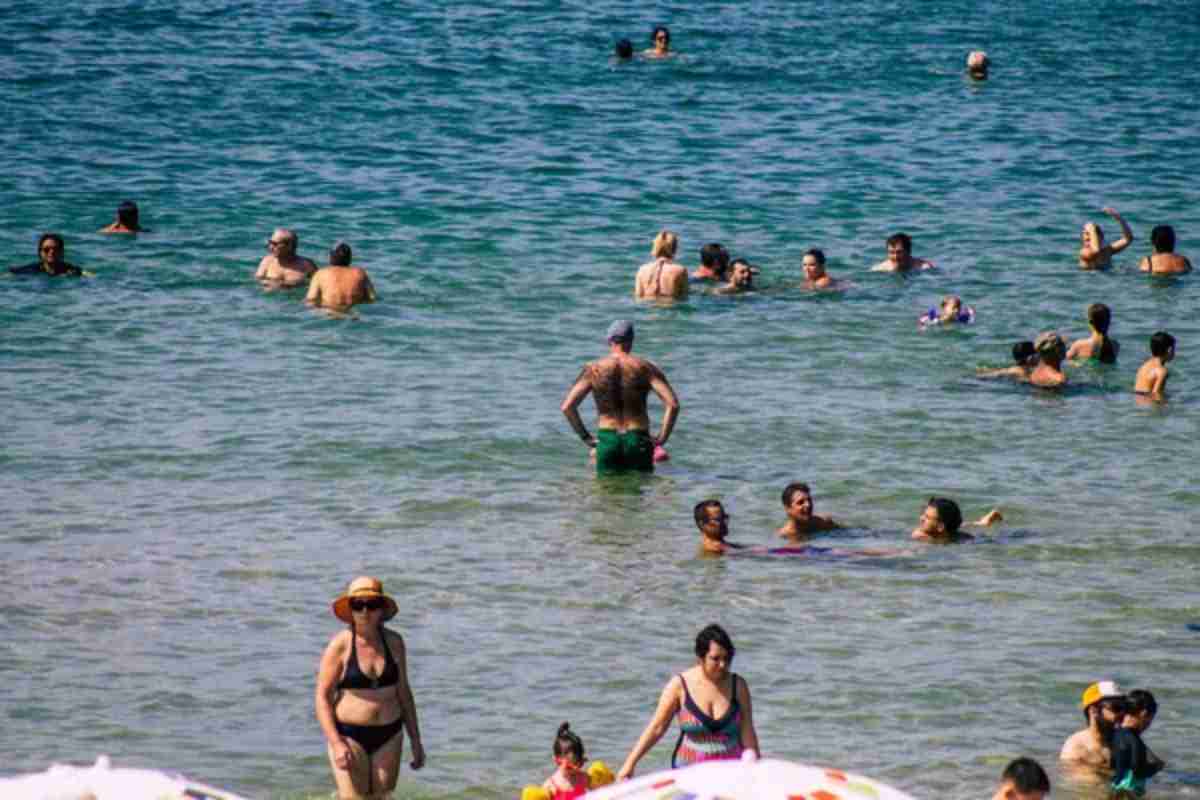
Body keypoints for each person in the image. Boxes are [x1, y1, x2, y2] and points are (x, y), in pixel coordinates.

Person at [315, 576, 425, 800]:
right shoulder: (341, 645)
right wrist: (336, 743)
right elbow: (322, 698)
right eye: (358, 605)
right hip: (349, 734)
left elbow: (404, 692)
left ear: (382, 609)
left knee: (382, 796)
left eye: (372, 605)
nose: (365, 611)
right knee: (354, 797)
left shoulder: (394, 643)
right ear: (351, 609)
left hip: (390, 734)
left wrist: (416, 740)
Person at [617, 624, 758, 780]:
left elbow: (747, 731)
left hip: (730, 775)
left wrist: (757, 769)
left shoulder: (738, 686)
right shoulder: (680, 685)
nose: (722, 665)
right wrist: (630, 764)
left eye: (727, 658)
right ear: (700, 658)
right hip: (688, 775)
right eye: (715, 659)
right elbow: (657, 728)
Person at [561, 320, 681, 475]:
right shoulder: (645, 367)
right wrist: (661, 439)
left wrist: (587, 438)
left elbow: (567, 407)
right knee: (638, 494)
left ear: (609, 340)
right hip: (637, 439)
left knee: (606, 495)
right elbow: (673, 404)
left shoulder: (594, 369)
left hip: (608, 439)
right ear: (631, 341)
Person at [1061, 680, 1126, 771]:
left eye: (1125, 707)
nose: (1123, 714)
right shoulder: (1077, 749)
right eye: (1117, 708)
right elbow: (1090, 784)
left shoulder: (1123, 739)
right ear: (1094, 710)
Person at [1111, 689, 1165, 796]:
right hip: (1128, 792)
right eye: (1150, 719)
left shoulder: (1116, 733)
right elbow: (1137, 770)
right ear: (1143, 714)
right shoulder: (1133, 739)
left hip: (1115, 788)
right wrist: (1155, 768)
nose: (1149, 724)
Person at [306, 242, 377, 311]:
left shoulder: (320, 274)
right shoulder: (360, 273)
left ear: (331, 257)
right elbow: (372, 298)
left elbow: (311, 300)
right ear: (350, 258)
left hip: (330, 313)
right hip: (353, 313)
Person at [911, 497, 1002, 542]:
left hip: (965, 538)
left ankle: (983, 523)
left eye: (927, 517)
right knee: (963, 526)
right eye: (923, 514)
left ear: (940, 526)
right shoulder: (922, 533)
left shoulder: (964, 539)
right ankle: (983, 522)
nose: (921, 518)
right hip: (951, 530)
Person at [541, 723, 591, 800]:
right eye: (569, 767)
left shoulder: (585, 778)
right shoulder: (550, 785)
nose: (574, 769)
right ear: (556, 760)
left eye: (579, 764)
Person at [635, 230, 689, 300]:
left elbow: (638, 296)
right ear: (674, 249)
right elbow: (684, 296)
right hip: (670, 307)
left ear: (655, 247)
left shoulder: (642, 270)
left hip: (649, 308)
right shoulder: (680, 270)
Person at [9, 233, 85, 277]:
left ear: (62, 252)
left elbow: (90, 275)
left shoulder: (71, 270)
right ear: (40, 252)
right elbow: (9, 275)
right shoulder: (31, 270)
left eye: (56, 249)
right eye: (46, 249)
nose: (51, 252)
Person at [1134, 331, 1175, 400]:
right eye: (1174, 349)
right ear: (1169, 350)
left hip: (1137, 400)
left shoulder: (1144, 365)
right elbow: (1156, 395)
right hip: (1147, 404)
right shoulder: (1162, 371)